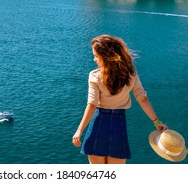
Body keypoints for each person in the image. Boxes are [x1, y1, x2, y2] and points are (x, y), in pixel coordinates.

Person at [72, 35, 168, 164]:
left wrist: (79, 130)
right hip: (119, 125)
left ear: (105, 56)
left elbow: (92, 105)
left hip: (98, 124)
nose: (94, 59)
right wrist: (156, 122)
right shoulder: (130, 74)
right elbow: (142, 98)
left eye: (96, 56)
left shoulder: (94, 76)